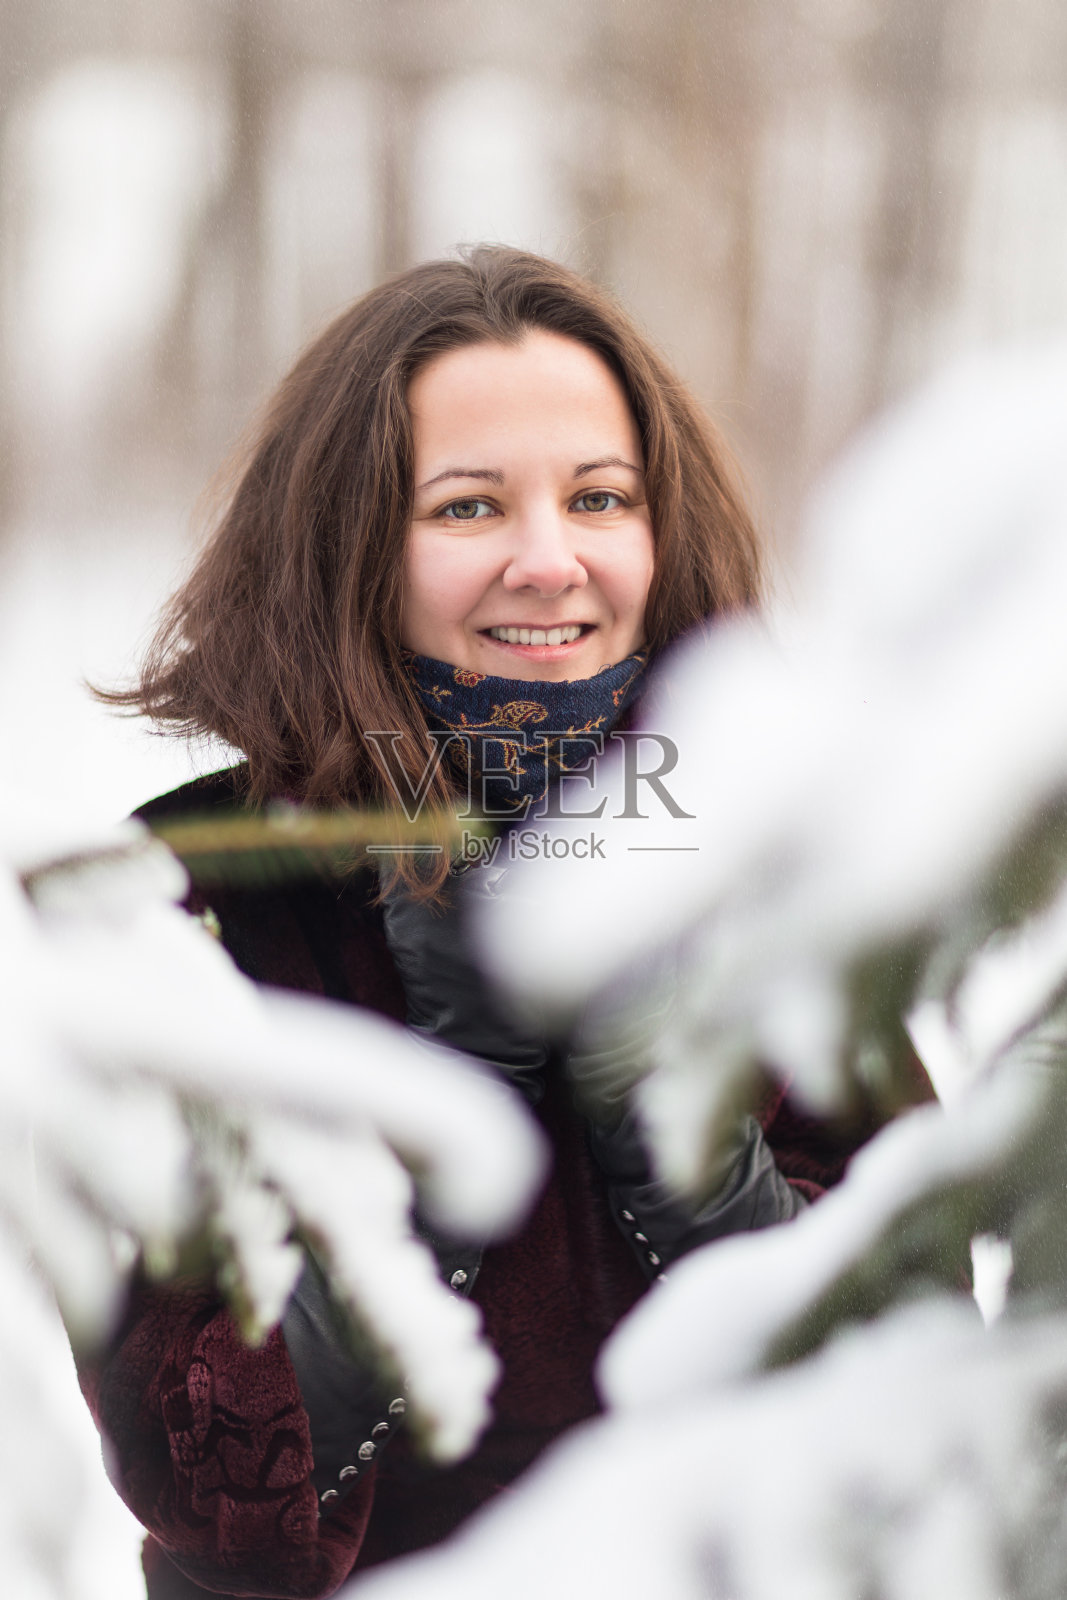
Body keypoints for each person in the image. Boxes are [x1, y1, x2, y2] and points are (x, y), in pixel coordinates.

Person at [83, 247, 911, 1599]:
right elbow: (194, 1485)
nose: (550, 558)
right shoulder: (192, 894)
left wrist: (685, 1152)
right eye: (468, 507)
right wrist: (443, 1120)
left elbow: (918, 1378)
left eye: (601, 497)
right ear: (350, 544)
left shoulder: (773, 869)